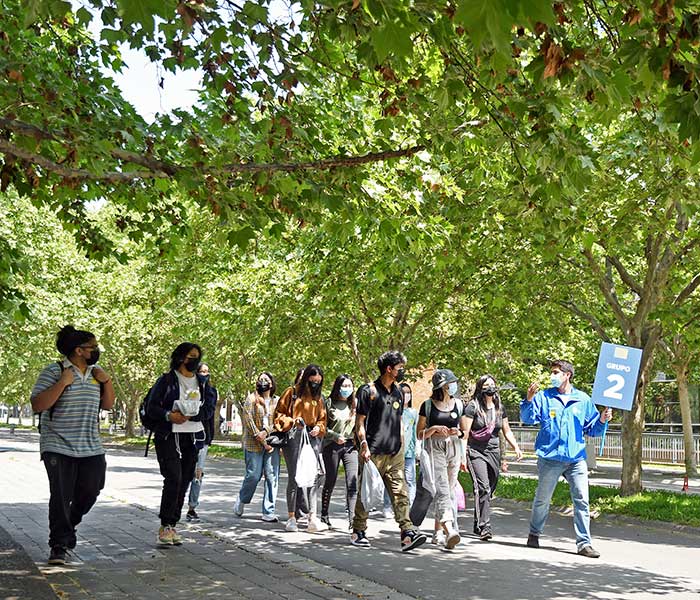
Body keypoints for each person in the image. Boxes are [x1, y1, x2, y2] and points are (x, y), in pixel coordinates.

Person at [30, 326, 115, 565]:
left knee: (92, 489)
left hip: (91, 445)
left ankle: (69, 525)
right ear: (79, 350)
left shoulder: (96, 373)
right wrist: (62, 383)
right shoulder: (55, 371)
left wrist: (107, 381)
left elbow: (107, 405)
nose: (96, 351)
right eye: (93, 347)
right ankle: (59, 545)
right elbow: (37, 404)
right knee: (61, 495)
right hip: (57, 443)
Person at [521, 359, 612, 558]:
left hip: (576, 459)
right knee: (542, 499)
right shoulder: (544, 397)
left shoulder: (583, 399)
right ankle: (534, 533)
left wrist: (603, 420)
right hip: (550, 458)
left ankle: (584, 544)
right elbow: (528, 419)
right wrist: (528, 400)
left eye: (555, 372)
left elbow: (593, 428)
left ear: (567, 375)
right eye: (552, 372)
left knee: (582, 500)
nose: (552, 376)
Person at [351, 351, 427, 552]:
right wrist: (364, 446)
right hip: (373, 453)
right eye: (400, 368)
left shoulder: (399, 392)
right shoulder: (368, 391)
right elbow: (359, 423)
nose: (402, 372)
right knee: (366, 493)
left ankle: (407, 533)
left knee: (400, 494)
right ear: (389, 369)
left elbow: (399, 421)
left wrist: (401, 445)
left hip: (395, 454)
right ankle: (358, 530)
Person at [145, 343, 216, 546]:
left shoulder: (203, 383)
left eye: (197, 356)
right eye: (190, 356)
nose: (194, 360)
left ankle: (173, 523)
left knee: (185, 480)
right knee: (173, 477)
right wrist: (169, 416)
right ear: (180, 358)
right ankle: (165, 524)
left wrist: (193, 415)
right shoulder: (167, 381)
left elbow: (209, 409)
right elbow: (152, 407)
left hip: (192, 437)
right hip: (168, 435)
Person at [464, 374, 522, 540]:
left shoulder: (499, 408)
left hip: (493, 451)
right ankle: (485, 527)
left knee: (491, 487)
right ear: (480, 387)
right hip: (475, 451)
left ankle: (478, 521)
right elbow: (465, 434)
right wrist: (462, 455)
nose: (490, 387)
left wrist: (515, 446)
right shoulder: (472, 407)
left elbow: (506, 430)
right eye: (486, 384)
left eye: (492, 384)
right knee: (483, 488)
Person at [273, 364, 327, 533]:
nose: (315, 384)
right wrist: (292, 422)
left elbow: (323, 418)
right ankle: (291, 518)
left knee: (316, 476)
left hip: (312, 438)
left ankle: (312, 517)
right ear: (306, 379)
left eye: (318, 381)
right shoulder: (292, 392)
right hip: (295, 437)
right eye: (312, 381)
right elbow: (278, 414)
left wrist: (319, 427)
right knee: (294, 477)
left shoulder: (319, 397)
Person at [416, 369, 466, 550]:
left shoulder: (459, 405)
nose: (452, 386)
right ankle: (449, 529)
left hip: (454, 448)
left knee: (450, 489)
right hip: (434, 447)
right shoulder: (427, 405)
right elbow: (419, 434)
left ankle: (437, 532)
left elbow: (464, 432)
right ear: (442, 387)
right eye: (449, 383)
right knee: (442, 489)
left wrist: (457, 432)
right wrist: (433, 429)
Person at [233, 371, 281, 522]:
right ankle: (242, 499)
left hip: (272, 443)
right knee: (253, 475)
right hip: (253, 443)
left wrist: (267, 432)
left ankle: (268, 510)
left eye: (266, 379)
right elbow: (249, 421)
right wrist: (261, 439)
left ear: (272, 383)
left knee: (272, 476)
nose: (263, 382)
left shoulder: (277, 401)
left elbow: (280, 421)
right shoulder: (251, 399)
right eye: (260, 379)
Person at [320, 374, 358, 530]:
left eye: (350, 386)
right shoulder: (329, 403)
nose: (347, 389)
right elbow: (323, 427)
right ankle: (324, 514)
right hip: (332, 446)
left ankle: (353, 520)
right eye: (344, 386)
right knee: (331, 480)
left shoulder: (355, 405)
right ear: (338, 387)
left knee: (352, 482)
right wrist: (335, 436)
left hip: (350, 447)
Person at [185, 363, 218, 522]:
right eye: (202, 371)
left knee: (198, 473)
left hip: (202, 439)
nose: (205, 374)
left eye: (207, 371)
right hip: (186, 436)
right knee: (185, 472)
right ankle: (176, 504)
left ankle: (192, 507)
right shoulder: (188, 390)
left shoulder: (211, 392)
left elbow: (209, 416)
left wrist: (209, 438)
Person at [382, 382, 418, 517]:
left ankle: (410, 508)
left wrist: (417, 449)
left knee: (410, 480)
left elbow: (415, 432)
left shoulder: (413, 412)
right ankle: (387, 506)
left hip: (409, 452)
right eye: (404, 392)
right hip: (394, 450)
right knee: (391, 478)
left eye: (409, 392)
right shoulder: (393, 410)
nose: (406, 395)